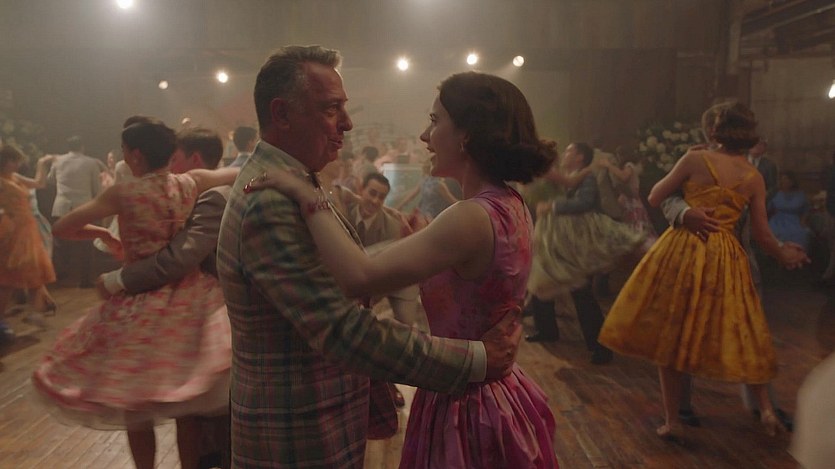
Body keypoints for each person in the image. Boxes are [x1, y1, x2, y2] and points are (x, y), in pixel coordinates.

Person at [216, 46, 524, 469]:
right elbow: (341, 329)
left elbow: (353, 285)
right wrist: (476, 358)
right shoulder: (270, 199)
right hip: (296, 431)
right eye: (331, 109)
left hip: (319, 419)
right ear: (282, 114)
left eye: (434, 121)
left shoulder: (292, 182)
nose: (347, 122)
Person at [32, 120, 238, 469]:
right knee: (186, 405)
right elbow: (235, 172)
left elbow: (63, 227)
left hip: (139, 299)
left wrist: (103, 234)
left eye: (125, 150)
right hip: (191, 297)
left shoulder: (123, 194)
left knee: (135, 406)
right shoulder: (191, 182)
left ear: (136, 155)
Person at [598, 101, 809, 440]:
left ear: (714, 130)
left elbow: (655, 195)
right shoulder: (753, 177)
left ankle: (673, 420)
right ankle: (766, 410)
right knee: (744, 330)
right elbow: (763, 234)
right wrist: (785, 254)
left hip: (685, 250)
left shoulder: (695, 159)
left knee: (671, 334)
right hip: (727, 257)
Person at [96, 126, 232, 469]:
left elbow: (178, 259)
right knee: (169, 406)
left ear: (194, 158)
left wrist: (117, 280)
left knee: (181, 408)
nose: (169, 166)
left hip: (195, 309)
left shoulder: (208, 194)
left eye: (175, 159)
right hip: (175, 307)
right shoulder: (178, 189)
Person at [526, 142, 644, 364]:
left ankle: (600, 346)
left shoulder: (584, 177)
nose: (564, 154)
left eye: (569, 151)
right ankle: (547, 330)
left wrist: (553, 206)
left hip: (577, 242)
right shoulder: (564, 175)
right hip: (559, 238)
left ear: (580, 157)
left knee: (580, 291)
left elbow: (585, 202)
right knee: (544, 280)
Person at [0, 145, 57, 338]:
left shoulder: (14, 177)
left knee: (33, 270)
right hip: (12, 230)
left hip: (27, 228)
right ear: (5, 161)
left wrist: (42, 163)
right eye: (14, 160)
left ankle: (37, 311)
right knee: (8, 277)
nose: (18, 164)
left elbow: (39, 184)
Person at [48, 135, 103, 288]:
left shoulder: (58, 161)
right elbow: (97, 188)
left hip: (61, 206)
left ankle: (59, 276)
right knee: (86, 243)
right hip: (83, 207)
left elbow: (50, 180)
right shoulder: (90, 162)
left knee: (61, 243)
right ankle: (85, 279)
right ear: (82, 147)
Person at [600, 145, 658, 251]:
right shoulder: (634, 165)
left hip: (633, 201)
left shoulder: (629, 165)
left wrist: (609, 165)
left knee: (637, 225)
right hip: (630, 200)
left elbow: (624, 177)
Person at [768, 170, 811, 250]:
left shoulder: (800, 194)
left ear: (792, 182)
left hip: (794, 220)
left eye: (786, 179)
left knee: (800, 233)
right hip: (777, 220)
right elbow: (768, 208)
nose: (783, 181)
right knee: (774, 232)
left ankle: (795, 253)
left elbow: (806, 209)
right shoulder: (776, 193)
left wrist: (803, 220)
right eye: (782, 179)